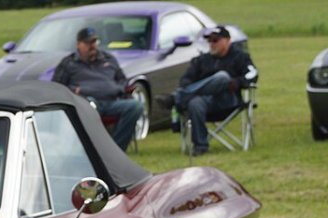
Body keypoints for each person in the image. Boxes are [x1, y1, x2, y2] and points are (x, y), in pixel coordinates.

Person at [158, 25, 258, 156]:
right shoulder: (201, 60)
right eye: (209, 41)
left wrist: (238, 82)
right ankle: (200, 146)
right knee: (195, 103)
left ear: (227, 40)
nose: (211, 44)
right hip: (206, 102)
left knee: (222, 77)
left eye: (215, 40)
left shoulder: (240, 57)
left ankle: (177, 98)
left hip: (228, 100)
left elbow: (253, 74)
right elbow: (185, 80)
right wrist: (192, 87)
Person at [52, 26, 143, 151]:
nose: (92, 46)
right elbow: (57, 87)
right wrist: (73, 92)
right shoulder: (68, 63)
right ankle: (92, 150)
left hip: (112, 101)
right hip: (86, 102)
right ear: (78, 44)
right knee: (89, 107)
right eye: (88, 43)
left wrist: (118, 88)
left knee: (135, 106)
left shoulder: (108, 59)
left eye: (94, 42)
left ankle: (116, 150)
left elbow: (122, 80)